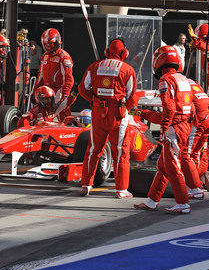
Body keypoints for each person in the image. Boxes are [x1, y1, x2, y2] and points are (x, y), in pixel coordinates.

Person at [133, 45, 194, 213]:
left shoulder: (165, 80)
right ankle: (152, 201)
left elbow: (168, 108)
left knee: (173, 167)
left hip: (174, 128)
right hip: (184, 125)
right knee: (163, 166)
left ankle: (183, 203)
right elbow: (190, 106)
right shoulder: (184, 79)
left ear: (159, 61)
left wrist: (164, 129)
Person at [78, 38, 137, 198]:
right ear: (124, 52)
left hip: (98, 112)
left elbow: (82, 88)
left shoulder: (94, 66)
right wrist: (125, 109)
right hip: (118, 114)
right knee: (121, 151)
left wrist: (94, 100)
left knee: (93, 150)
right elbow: (132, 97)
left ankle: (86, 185)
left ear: (106, 51)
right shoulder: (128, 69)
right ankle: (121, 189)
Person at [35, 28, 75, 122]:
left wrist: (65, 95)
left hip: (59, 92)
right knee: (43, 119)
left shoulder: (64, 56)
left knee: (63, 118)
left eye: (51, 44)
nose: (48, 47)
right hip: (46, 93)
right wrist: (35, 91)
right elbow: (40, 75)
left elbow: (68, 78)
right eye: (46, 44)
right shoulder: (45, 55)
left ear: (57, 42)